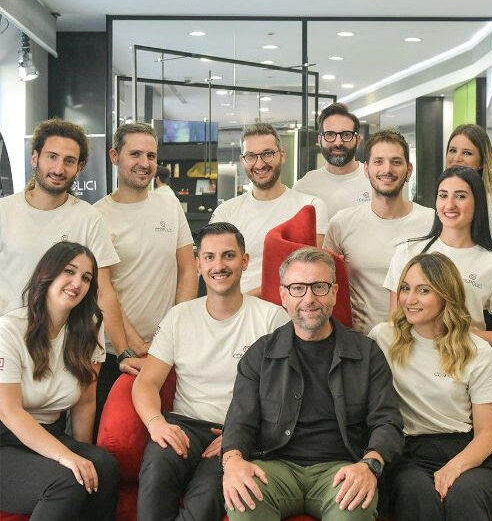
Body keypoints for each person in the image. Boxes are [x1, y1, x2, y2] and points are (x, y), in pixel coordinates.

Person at [384, 166, 492, 521]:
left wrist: (454, 330)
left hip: (475, 370)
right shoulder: (408, 253)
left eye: (461, 195)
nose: (450, 204)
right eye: (443, 195)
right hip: (415, 370)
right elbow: (396, 323)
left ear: (477, 204)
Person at [221, 247, 404, 521]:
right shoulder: (261, 353)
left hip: (341, 470)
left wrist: (369, 465)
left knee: (354, 510)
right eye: (297, 288)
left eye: (319, 287)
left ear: (334, 291)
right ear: (283, 295)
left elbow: (387, 422)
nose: (309, 299)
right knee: (243, 501)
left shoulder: (367, 352)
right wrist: (233, 462)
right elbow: (239, 421)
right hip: (275, 467)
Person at [132, 222, 288, 521]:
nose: (219, 265)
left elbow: (283, 396)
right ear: (198, 264)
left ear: (244, 262)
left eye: (228, 256)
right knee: (155, 476)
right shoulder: (180, 316)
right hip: (183, 426)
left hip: (238, 431)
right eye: (209, 257)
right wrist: (156, 424)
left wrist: (241, 437)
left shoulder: (272, 319)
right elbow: (146, 382)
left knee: (205, 499)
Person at [370, 252, 492, 520]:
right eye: (405, 289)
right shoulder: (383, 338)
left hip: (465, 452)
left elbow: (486, 435)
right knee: (416, 495)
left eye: (423, 291)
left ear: (446, 295)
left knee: (465, 498)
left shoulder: (477, 350)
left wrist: (453, 468)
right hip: (407, 453)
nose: (409, 299)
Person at [0, 241, 119, 520]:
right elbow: (8, 411)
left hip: (49, 433)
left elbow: (85, 402)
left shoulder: (89, 328)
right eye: (69, 271)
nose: (77, 283)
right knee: (65, 481)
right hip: (5, 440)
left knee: (103, 466)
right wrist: (68, 458)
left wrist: (83, 456)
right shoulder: (9, 330)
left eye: (86, 278)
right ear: (48, 273)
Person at [94, 122, 197, 432]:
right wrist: (133, 343)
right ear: (114, 155)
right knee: (116, 439)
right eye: (135, 154)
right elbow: (104, 288)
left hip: (167, 351)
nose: (144, 163)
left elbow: (188, 270)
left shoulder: (170, 204)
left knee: (166, 435)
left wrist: (170, 332)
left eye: (151, 155)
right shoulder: (97, 215)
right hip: (115, 353)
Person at [0, 119, 125, 358]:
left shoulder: (89, 218)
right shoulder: (4, 212)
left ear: (79, 167)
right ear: (35, 158)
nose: (59, 169)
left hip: (66, 349)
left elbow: (104, 290)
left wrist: (122, 352)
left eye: (69, 161)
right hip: (8, 344)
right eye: (52, 157)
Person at [325, 130, 434, 334]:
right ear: (366, 170)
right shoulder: (341, 223)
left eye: (396, 162)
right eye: (378, 162)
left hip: (419, 343)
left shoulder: (432, 222)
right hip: (359, 345)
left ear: (409, 171)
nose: (387, 169)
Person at [210, 123, 328, 295]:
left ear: (282, 155)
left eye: (267, 154)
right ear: (243, 160)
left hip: (290, 314)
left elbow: (308, 272)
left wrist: (247, 300)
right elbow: (216, 270)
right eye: (251, 156)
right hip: (238, 315)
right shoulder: (225, 212)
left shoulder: (310, 207)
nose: (259, 164)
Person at [446, 124, 492, 276]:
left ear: (481, 162)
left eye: (467, 153)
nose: (457, 158)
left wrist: (482, 289)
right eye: (452, 150)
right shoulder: (445, 199)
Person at [294, 102, 371, 219]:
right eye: (330, 134)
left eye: (346, 135)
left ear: (358, 140)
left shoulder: (374, 181)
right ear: (320, 140)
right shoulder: (304, 188)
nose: (338, 143)